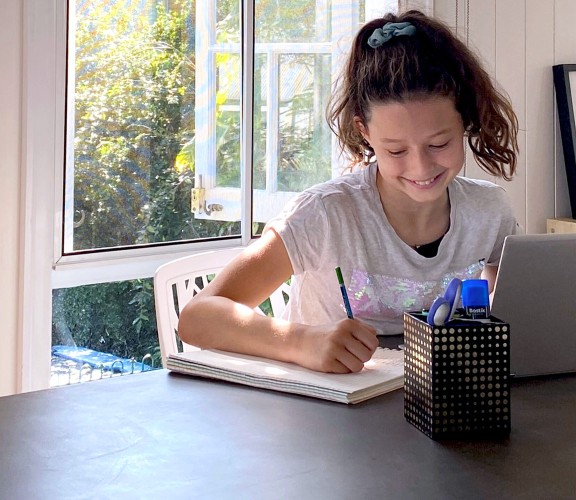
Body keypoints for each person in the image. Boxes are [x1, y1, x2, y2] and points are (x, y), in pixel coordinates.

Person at [178, 9, 519, 374]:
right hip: (324, 416)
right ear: (365, 133)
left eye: (439, 144)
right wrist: (300, 341)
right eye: (396, 151)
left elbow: (511, 316)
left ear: (464, 120)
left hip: (440, 411)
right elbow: (197, 319)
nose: (420, 167)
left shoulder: (490, 212)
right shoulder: (326, 214)